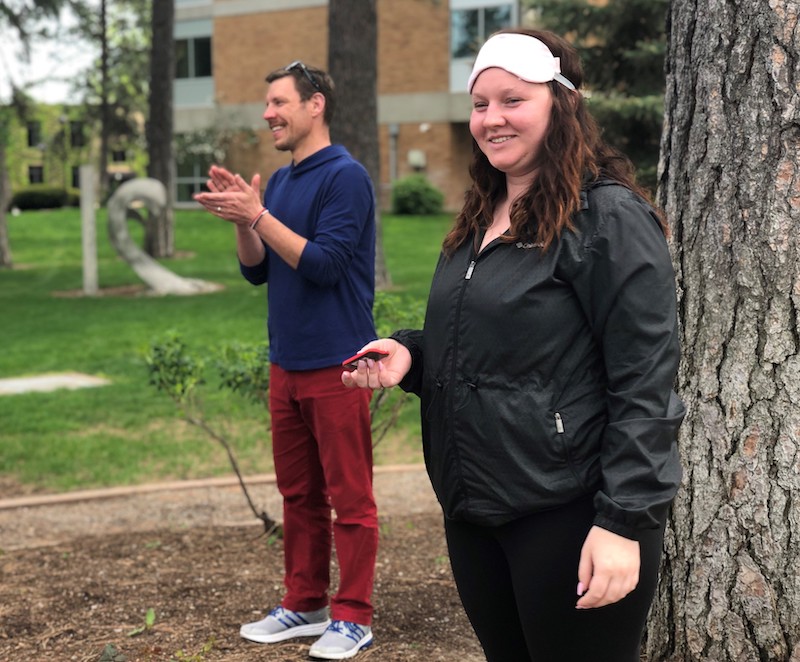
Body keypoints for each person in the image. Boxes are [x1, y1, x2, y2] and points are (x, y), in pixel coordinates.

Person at [342, 29, 685, 662]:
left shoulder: (607, 218)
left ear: (562, 103)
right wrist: (413, 355)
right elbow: (499, 340)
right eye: (480, 104)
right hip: (475, 510)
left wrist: (622, 523)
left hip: (568, 512)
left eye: (512, 100)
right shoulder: (482, 213)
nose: (492, 118)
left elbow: (645, 381)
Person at [194, 60, 378, 660]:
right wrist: (243, 218)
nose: (268, 113)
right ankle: (306, 604)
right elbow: (257, 269)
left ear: (315, 104)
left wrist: (259, 214)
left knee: (349, 498)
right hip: (288, 364)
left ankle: (353, 615)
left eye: (279, 102)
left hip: (338, 363)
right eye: (267, 103)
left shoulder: (345, 177)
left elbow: (324, 265)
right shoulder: (279, 181)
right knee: (298, 495)